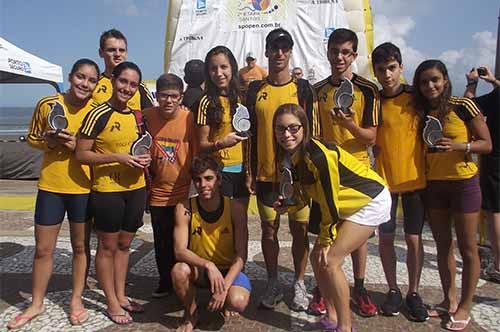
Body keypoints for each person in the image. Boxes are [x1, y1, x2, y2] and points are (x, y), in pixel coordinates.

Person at [272, 103, 391, 332]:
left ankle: (345, 327)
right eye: (280, 129)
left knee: (331, 260)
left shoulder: (318, 155)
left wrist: (327, 240)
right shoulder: (291, 156)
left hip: (370, 200)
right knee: (318, 258)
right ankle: (331, 316)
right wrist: (288, 205)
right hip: (348, 204)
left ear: (304, 128)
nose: (286, 134)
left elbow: (329, 202)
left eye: (293, 128)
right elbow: (305, 195)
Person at [6, 59, 100, 330]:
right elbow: (32, 137)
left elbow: (99, 152)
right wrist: (48, 141)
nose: (85, 84)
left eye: (91, 80)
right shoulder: (48, 104)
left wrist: (74, 147)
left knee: (81, 248)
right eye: (80, 77)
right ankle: (36, 303)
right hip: (51, 186)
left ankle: (76, 300)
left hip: (83, 188)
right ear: (70, 77)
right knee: (43, 250)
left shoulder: (96, 112)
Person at [414, 60, 491, 331]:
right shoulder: (420, 111)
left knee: (468, 249)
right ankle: (449, 301)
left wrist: (460, 145)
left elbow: (487, 144)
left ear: (445, 80)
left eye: (435, 79)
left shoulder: (463, 105)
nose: (430, 86)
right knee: (443, 245)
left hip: (463, 184)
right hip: (434, 186)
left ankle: (466, 306)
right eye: (424, 82)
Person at [246, 27, 320, 311]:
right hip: (266, 175)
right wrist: (250, 172)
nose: (279, 53)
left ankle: (299, 283)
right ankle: (273, 281)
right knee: (268, 231)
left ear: (290, 52)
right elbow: (249, 133)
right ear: (266, 51)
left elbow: (312, 133)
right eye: (274, 48)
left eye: (284, 48)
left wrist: (311, 171)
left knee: (300, 231)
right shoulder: (255, 89)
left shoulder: (303, 89)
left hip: (298, 176)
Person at [311, 28, 380, 317]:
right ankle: (323, 287)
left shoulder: (367, 89)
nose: (339, 57)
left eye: (345, 52)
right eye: (334, 51)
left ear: (353, 55)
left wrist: (350, 125)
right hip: (328, 172)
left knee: (358, 237)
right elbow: (314, 135)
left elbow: (371, 137)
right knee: (326, 232)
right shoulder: (317, 91)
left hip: (358, 174)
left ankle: (359, 286)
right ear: (327, 51)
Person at [76, 61, 151, 325]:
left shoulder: (137, 117)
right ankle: (110, 301)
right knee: (107, 247)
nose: (127, 88)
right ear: (113, 81)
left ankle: (121, 295)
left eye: (133, 84)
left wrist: (145, 159)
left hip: (136, 189)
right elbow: (81, 154)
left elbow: (142, 149)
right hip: (107, 190)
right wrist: (118, 157)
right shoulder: (98, 114)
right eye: (123, 82)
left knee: (125, 245)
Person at [371, 42, 428, 321]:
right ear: (375, 72)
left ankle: (414, 293)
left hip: (416, 180)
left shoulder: (417, 98)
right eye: (381, 70)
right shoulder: (373, 100)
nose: (387, 75)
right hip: (385, 184)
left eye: (392, 68)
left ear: (401, 67)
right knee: (386, 240)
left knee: (414, 240)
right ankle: (393, 289)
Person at [171, 155, 251, 332]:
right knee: (179, 271)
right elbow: (179, 251)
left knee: (237, 302)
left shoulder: (236, 208)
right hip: (201, 269)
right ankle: (191, 313)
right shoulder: (185, 208)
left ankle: (222, 298)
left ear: (219, 179)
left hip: (228, 269)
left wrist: (225, 286)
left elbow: (241, 256)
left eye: (209, 178)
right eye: (198, 180)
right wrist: (208, 265)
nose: (203, 185)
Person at [143, 73, 199, 298]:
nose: (168, 101)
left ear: (181, 97)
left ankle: (186, 279)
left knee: (185, 241)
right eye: (164, 96)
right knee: (162, 241)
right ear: (156, 96)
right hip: (157, 192)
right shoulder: (146, 116)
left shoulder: (189, 119)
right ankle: (165, 281)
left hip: (184, 192)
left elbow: (196, 153)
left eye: (173, 96)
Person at [194, 45, 250, 250]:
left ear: (233, 68)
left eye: (223, 67)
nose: (219, 73)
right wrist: (220, 143)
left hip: (243, 172)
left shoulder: (244, 97)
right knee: (223, 226)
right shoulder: (205, 102)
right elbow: (202, 145)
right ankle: (220, 268)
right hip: (220, 174)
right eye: (213, 68)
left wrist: (251, 171)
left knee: (241, 224)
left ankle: (238, 271)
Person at [464, 66, 500, 282]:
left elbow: (468, 107)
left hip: (495, 159)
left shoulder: (496, 97)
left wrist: (472, 83)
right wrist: (495, 82)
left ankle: (498, 264)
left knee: (495, 212)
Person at [92, 28, 154, 110]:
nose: (117, 54)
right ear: (101, 52)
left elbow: (151, 116)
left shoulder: (139, 86)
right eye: (111, 50)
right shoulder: (92, 84)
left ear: (126, 53)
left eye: (121, 50)